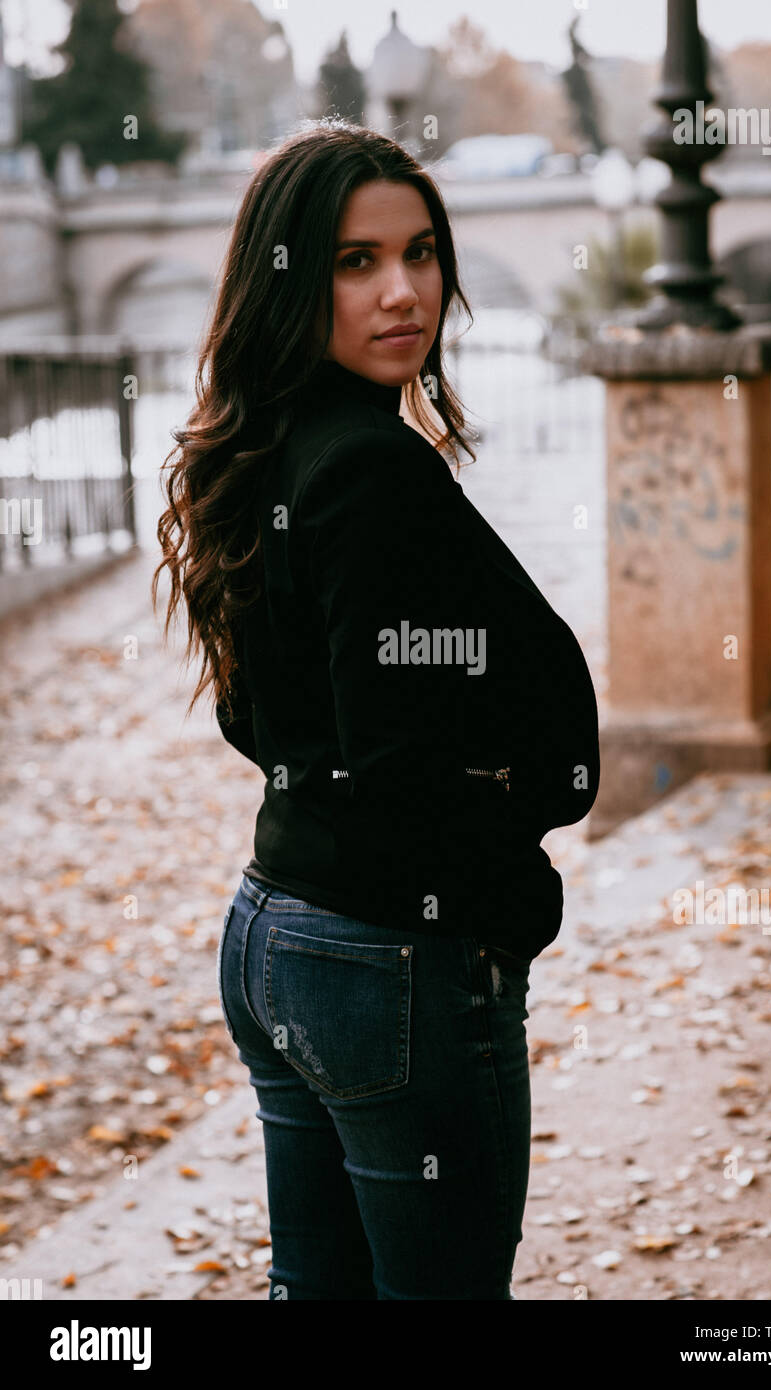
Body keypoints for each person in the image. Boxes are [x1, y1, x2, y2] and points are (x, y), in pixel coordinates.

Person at [152, 120, 600, 1301]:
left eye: (420, 253)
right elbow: (399, 768)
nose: (403, 292)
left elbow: (262, 720)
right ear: (288, 276)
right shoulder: (369, 469)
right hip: (385, 955)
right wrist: (502, 909)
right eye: (356, 262)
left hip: (274, 931)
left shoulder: (269, 447)